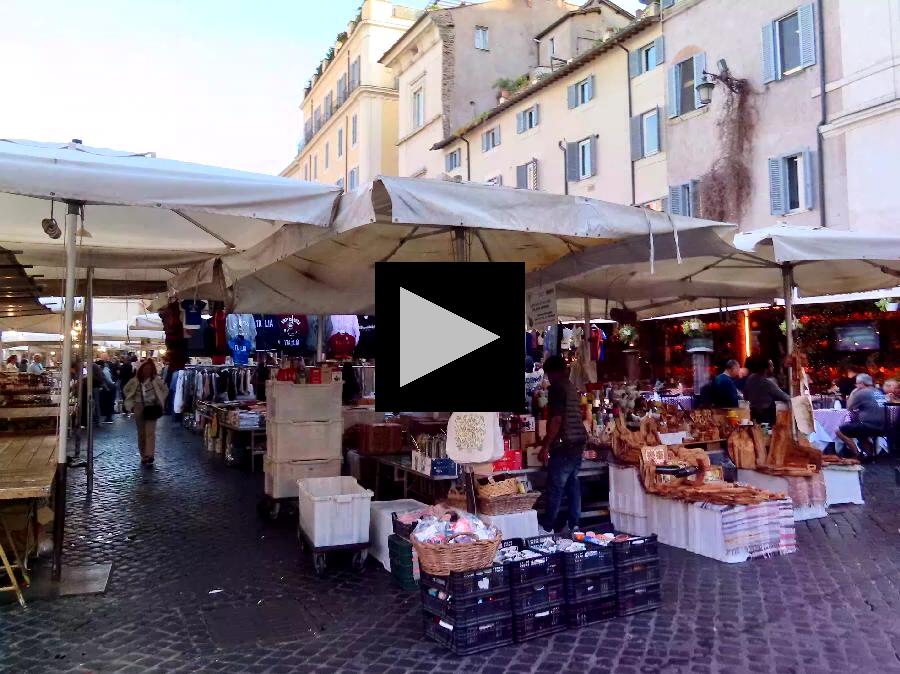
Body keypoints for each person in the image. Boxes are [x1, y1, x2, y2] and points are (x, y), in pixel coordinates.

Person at [538, 355, 588, 535]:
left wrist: (545, 446)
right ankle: (574, 524)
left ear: (554, 372)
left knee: (555, 486)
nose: (548, 378)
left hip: (565, 443)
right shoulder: (571, 387)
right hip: (578, 441)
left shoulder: (557, 388)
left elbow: (557, 420)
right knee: (572, 483)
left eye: (549, 374)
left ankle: (547, 526)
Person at [123, 360, 169, 466]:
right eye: (145, 369)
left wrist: (159, 400)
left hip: (151, 407)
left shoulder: (156, 380)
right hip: (138, 407)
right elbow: (126, 389)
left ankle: (150, 454)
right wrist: (132, 402)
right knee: (141, 433)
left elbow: (165, 390)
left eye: (149, 369)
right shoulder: (135, 380)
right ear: (141, 369)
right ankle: (143, 455)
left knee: (150, 432)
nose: (147, 371)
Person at [835, 373, 883, 460]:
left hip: (870, 425)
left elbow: (849, 407)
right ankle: (868, 454)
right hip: (883, 426)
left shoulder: (861, 393)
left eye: (856, 384)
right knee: (858, 430)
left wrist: (853, 393)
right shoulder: (878, 392)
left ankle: (857, 453)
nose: (856, 386)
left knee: (838, 430)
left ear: (861, 383)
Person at [743, 357, 791, 425]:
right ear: (766, 369)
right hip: (765, 416)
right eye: (771, 366)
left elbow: (745, 396)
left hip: (753, 414)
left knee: (756, 433)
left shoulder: (750, 378)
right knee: (765, 434)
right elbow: (783, 396)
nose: (773, 368)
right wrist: (794, 398)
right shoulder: (767, 383)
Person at [97, 360, 116, 424]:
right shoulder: (104, 371)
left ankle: (108, 418)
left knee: (107, 403)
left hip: (110, 388)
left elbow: (104, 381)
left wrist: (106, 388)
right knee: (109, 403)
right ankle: (108, 417)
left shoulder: (103, 372)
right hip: (111, 387)